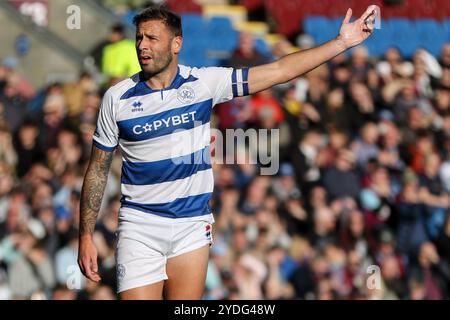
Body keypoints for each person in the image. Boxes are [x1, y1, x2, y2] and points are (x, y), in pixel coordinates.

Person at [77, 5, 376, 300]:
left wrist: (341, 43)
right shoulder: (117, 98)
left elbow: (279, 70)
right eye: (139, 38)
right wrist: (86, 235)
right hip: (139, 226)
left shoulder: (203, 83)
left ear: (176, 43)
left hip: (190, 225)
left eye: (152, 38)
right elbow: (98, 169)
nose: (143, 45)